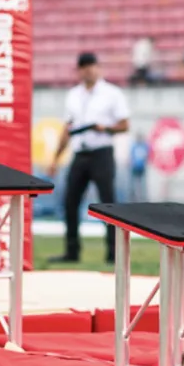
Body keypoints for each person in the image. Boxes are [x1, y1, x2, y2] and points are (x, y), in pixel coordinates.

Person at [47, 53, 131, 263]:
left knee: (108, 204)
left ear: (98, 68)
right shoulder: (73, 95)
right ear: (79, 71)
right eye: (83, 67)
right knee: (70, 202)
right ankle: (72, 251)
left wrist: (106, 128)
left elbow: (124, 125)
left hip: (102, 152)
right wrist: (56, 158)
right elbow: (67, 129)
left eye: (91, 66)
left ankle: (113, 253)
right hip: (80, 153)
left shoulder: (112, 93)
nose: (88, 70)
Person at [129, 133, 150, 202]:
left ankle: (142, 197)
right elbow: (131, 156)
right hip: (135, 167)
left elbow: (148, 155)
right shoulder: (134, 145)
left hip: (142, 167)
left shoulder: (145, 145)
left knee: (142, 183)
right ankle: (135, 197)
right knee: (134, 183)